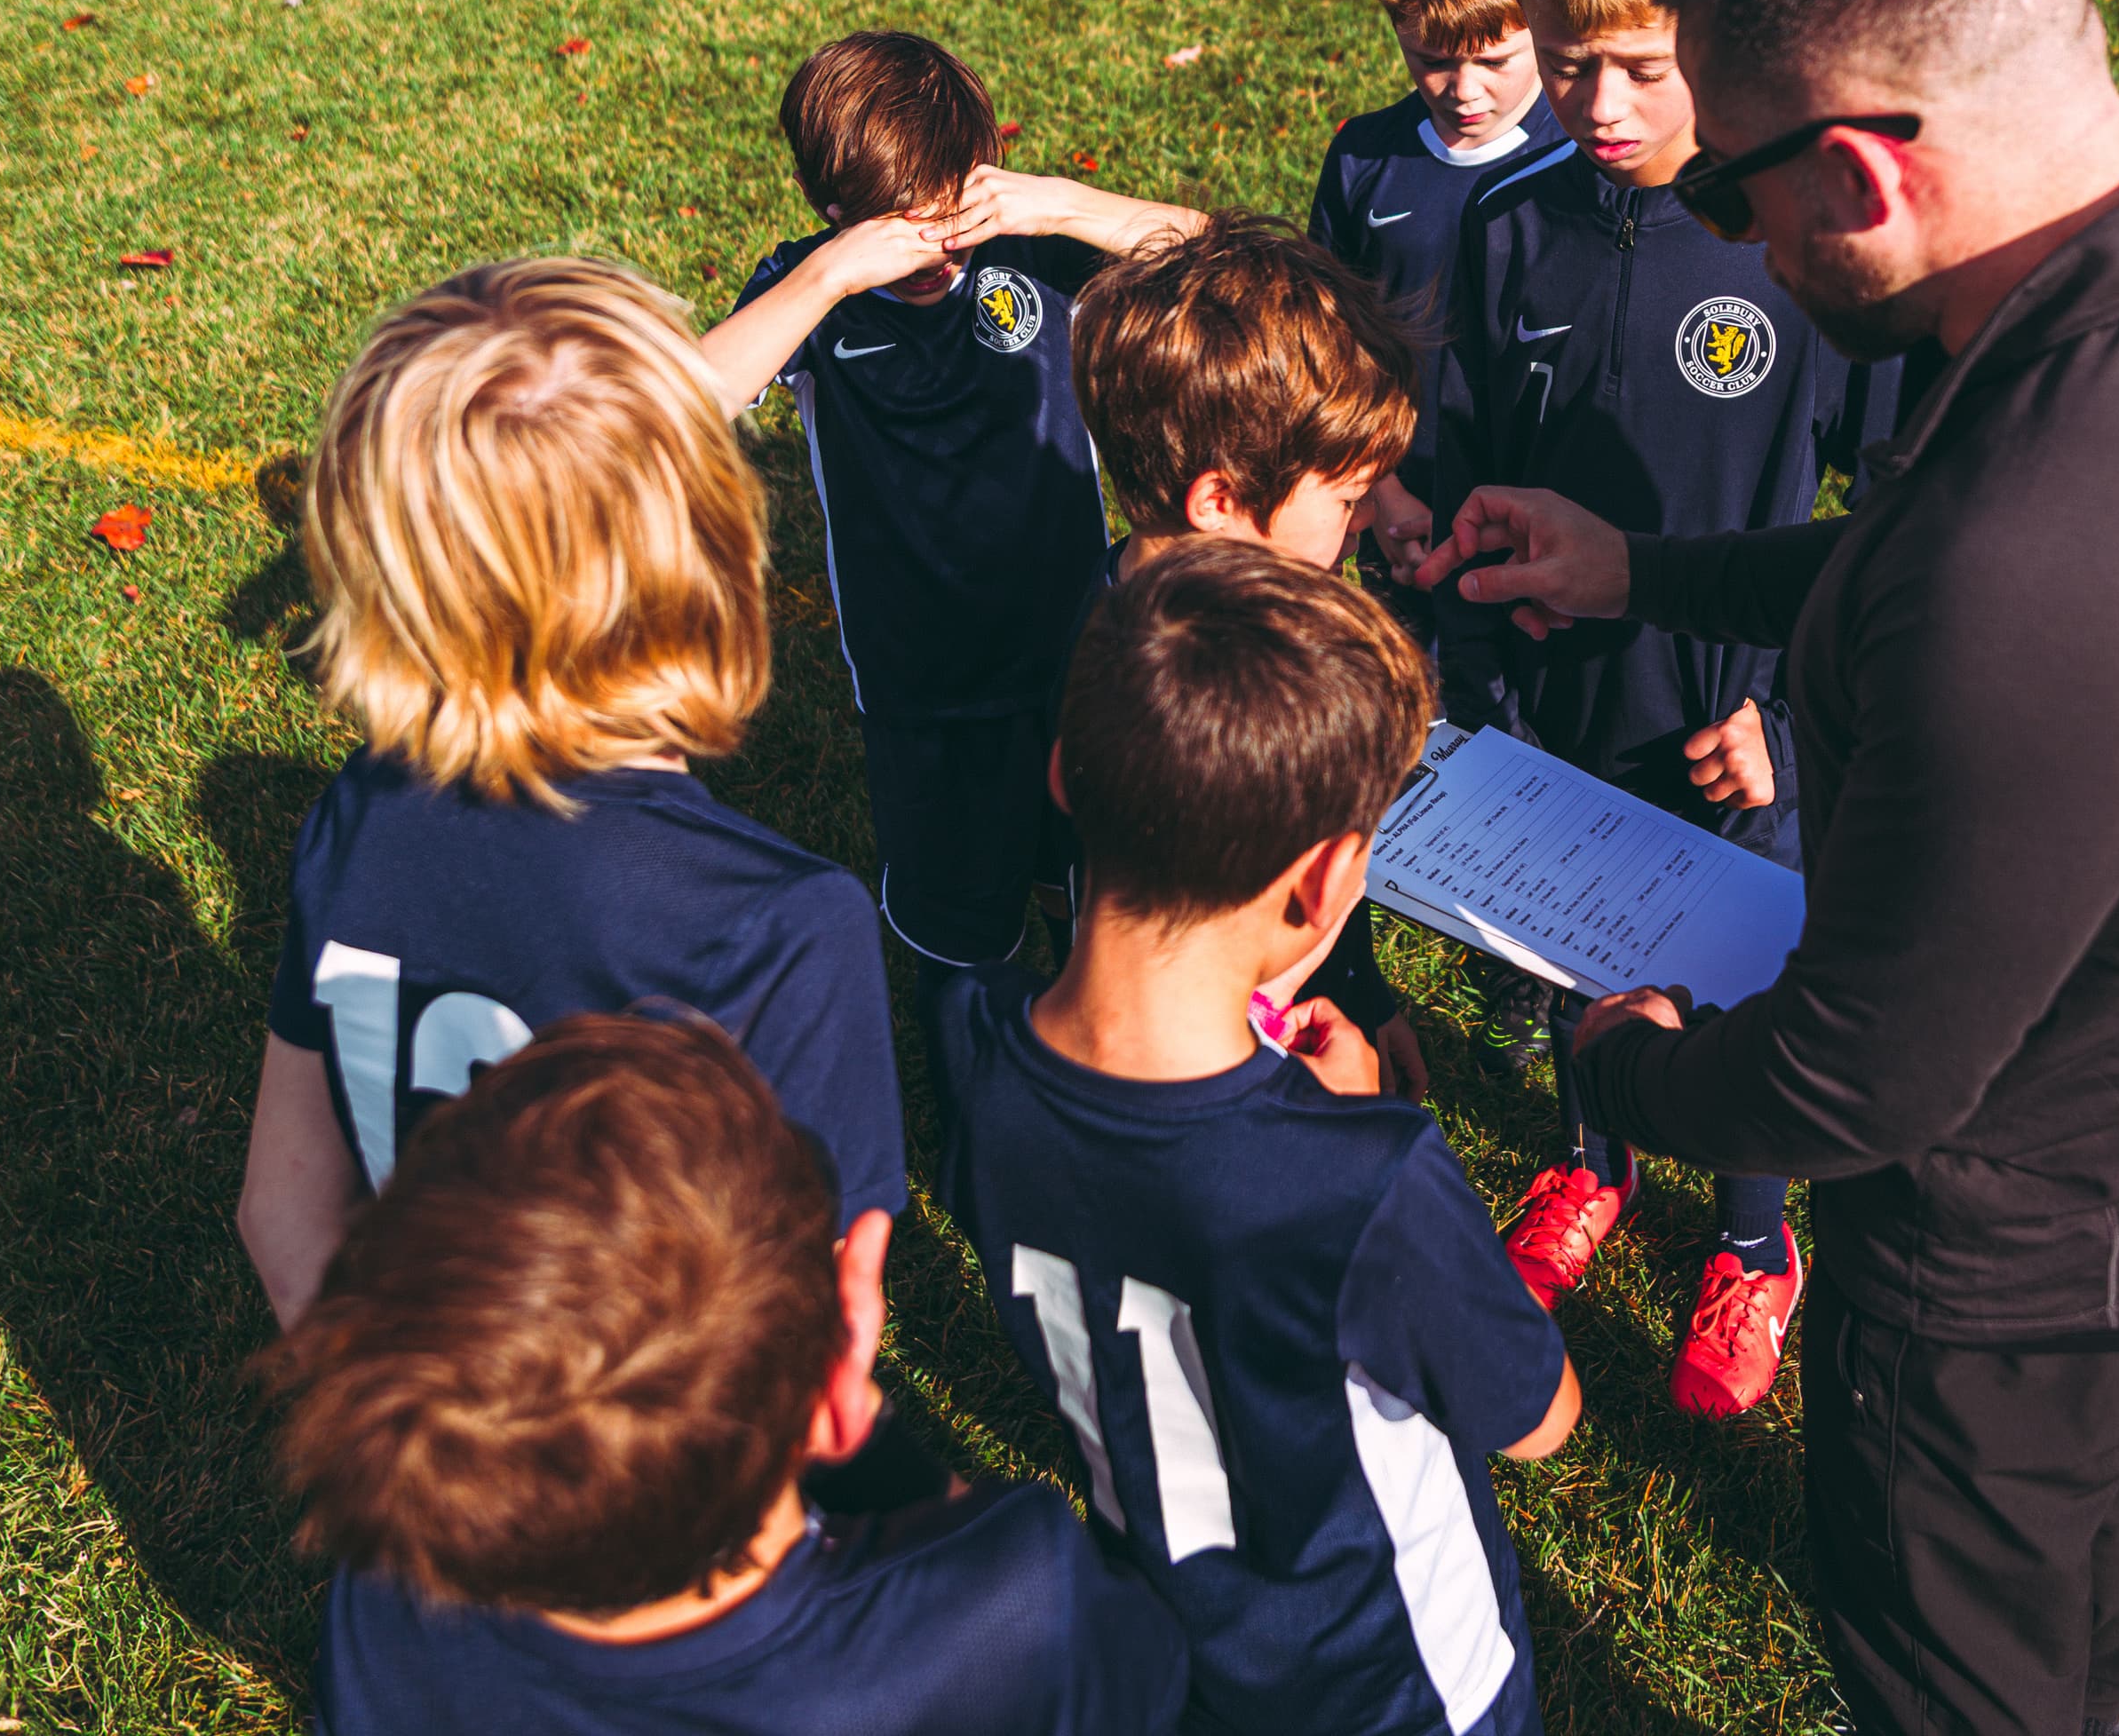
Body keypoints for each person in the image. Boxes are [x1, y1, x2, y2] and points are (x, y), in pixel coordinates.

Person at [1415, 0, 2119, 1736]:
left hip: (2010, 1277)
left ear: (1856, 173)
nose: (1720, 235)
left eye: (1731, 196)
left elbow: (1858, 1071)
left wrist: (1619, 1056)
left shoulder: (2045, 572)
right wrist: (1642, 561)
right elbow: (1908, 551)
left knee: (1962, 1676)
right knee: (2099, 1578)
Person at [921, 543, 1579, 1736]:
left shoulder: (973, 1055)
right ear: (1326, 885)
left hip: (1182, 1657)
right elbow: (1540, 1421)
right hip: (1404, 1688)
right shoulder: (1362, 1177)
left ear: (1067, 773)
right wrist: (1370, 1122)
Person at [1439, 0, 1885, 1423]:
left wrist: (1788, 704)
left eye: (1642, 66)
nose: (1601, 108)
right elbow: (1469, 456)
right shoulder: (1507, 230)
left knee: (1747, 980)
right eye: (1568, 66)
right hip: (1564, 711)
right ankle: (1590, 1159)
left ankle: (1754, 1241)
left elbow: (1893, 510)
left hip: (1737, 731)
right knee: (1570, 947)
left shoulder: (1804, 252)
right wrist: (1476, 619)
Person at [235, 258, 904, 1339]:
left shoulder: (355, 815)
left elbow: (283, 1216)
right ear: (711, 544)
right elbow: (811, 1333)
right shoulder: (780, 924)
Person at [265, 1011, 1190, 1735]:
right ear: (834, 1384)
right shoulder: (1013, 1606)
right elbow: (1146, 1678)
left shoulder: (391, 1605)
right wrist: (874, 1449)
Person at [697, 29, 1204, 987]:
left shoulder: (1030, 250)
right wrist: (829, 274)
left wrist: (1066, 204)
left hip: (1078, 652)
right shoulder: (815, 289)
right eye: (901, 225)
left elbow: (1215, 261)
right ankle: (976, 1083)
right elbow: (685, 401)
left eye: (949, 211)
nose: (937, 246)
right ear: (833, 210)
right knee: (960, 928)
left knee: (1101, 897)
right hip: (921, 683)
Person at [1066, 218, 1436, 1095]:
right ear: (1221, 500)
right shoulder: (1106, 686)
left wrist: (1363, 994)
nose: (1367, 525)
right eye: (1349, 499)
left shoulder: (1275, 625)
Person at [1308, 0, 1577, 620]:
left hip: (1549, 530)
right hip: (1407, 522)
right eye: (1431, 59)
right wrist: (1379, 489)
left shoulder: (1589, 159)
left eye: (1495, 62)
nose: (1464, 90)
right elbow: (1330, 341)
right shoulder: (1367, 159)